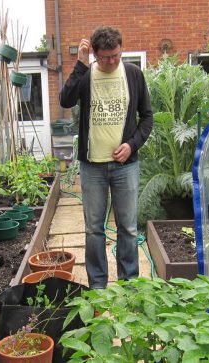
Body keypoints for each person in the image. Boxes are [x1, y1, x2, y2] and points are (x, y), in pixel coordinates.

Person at [59, 26, 153, 289]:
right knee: (94, 230)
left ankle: (129, 284)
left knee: (129, 228)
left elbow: (147, 118)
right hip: (92, 168)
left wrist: (132, 145)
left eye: (116, 56)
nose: (111, 62)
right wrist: (79, 63)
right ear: (95, 55)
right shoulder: (87, 75)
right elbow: (65, 100)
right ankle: (98, 287)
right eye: (105, 57)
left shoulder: (133, 74)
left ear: (121, 51)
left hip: (125, 167)